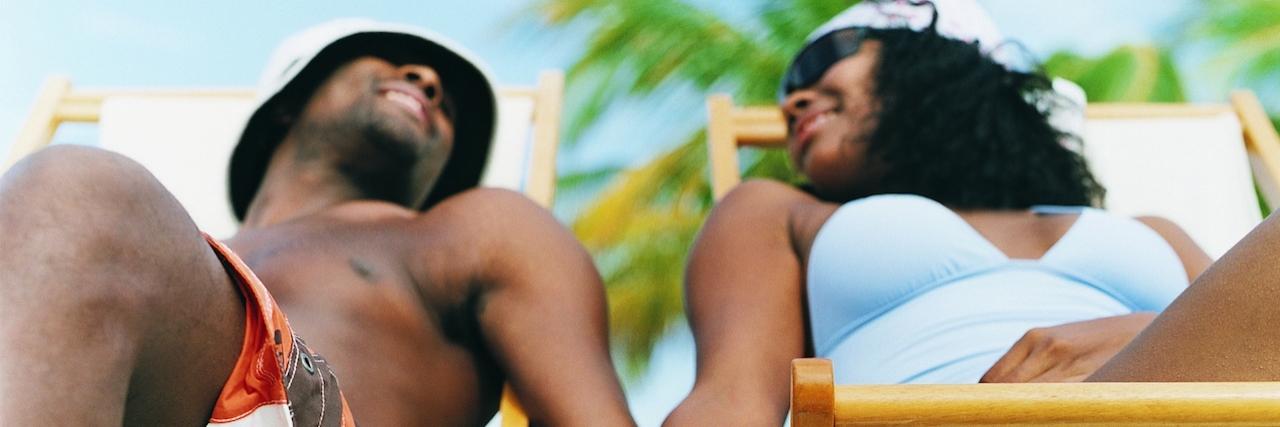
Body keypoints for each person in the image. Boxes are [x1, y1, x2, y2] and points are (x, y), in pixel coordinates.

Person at [663, 1, 1280, 425]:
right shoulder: (779, 213)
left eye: (826, 58)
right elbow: (730, 402)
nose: (793, 98)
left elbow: (1249, 339)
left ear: (939, 63)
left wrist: (1140, 335)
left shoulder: (1153, 230)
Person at [0, 19, 637, 427]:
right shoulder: (163, 264)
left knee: (76, 199)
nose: (427, 80)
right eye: (387, 59)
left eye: (449, 107)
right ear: (288, 104)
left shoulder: (469, 229)